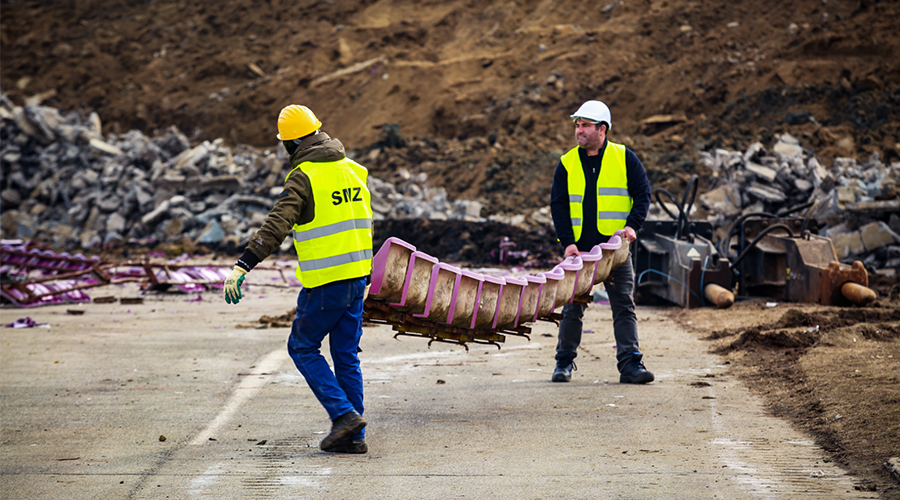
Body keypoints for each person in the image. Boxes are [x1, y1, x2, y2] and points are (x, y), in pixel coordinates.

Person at [223, 104, 373, 453]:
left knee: (302, 347)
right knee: (346, 355)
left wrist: (243, 265)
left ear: (290, 145)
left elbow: (277, 224)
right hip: (357, 280)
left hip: (326, 283)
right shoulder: (354, 170)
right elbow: (362, 226)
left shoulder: (304, 177)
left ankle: (344, 416)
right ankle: (355, 438)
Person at [548, 100, 654, 384]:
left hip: (615, 252)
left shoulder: (624, 157)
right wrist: (567, 243)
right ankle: (563, 363)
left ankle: (631, 366)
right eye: (577, 125)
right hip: (580, 251)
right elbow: (558, 205)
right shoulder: (567, 163)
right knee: (572, 307)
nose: (578, 131)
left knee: (623, 306)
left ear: (602, 129)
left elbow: (643, 193)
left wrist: (632, 226)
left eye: (585, 125)